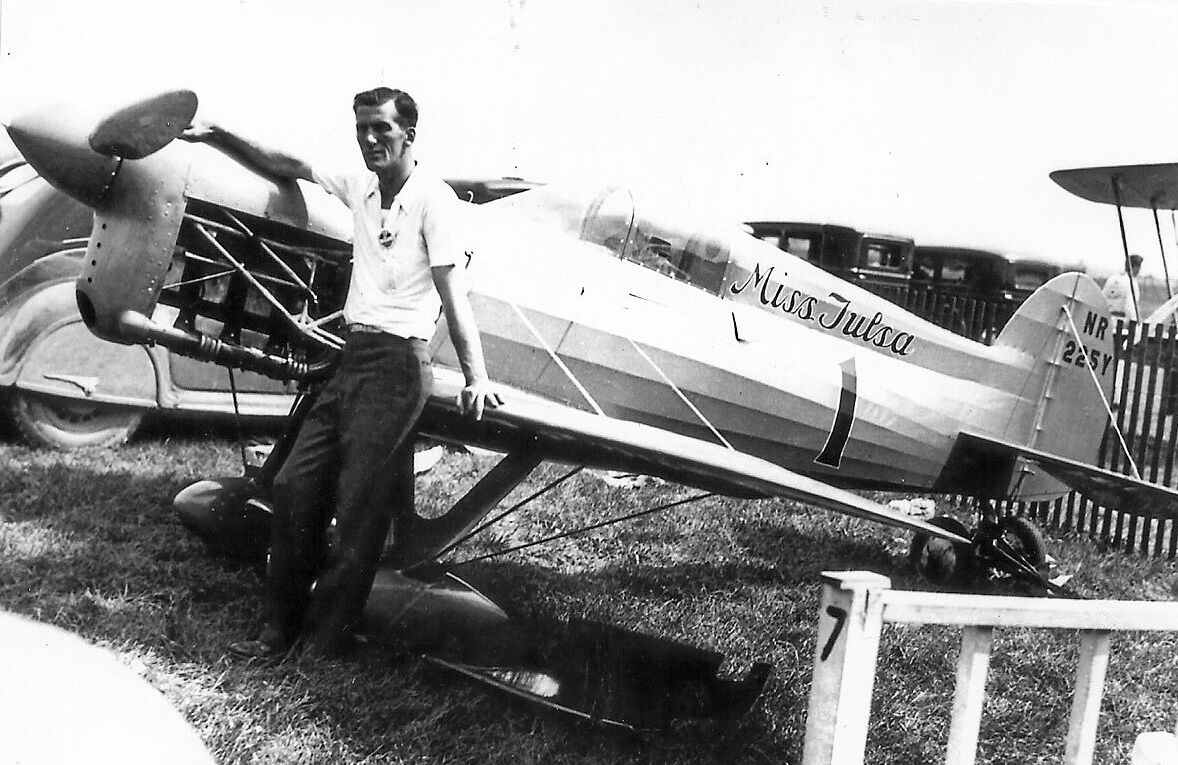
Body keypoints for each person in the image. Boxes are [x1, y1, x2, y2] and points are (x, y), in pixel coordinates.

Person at [182, 87, 502, 658]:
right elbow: (289, 164)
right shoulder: (362, 186)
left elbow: (455, 297)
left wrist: (476, 376)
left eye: (382, 128)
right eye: (362, 130)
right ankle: (279, 630)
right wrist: (219, 134)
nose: (370, 139)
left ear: (410, 134)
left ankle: (324, 642)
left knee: (358, 510)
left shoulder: (436, 202)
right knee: (292, 484)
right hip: (351, 357)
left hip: (400, 367)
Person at [1102, 253, 1143, 320]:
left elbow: (1102, 298)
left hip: (1105, 319)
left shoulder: (1112, 279)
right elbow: (1130, 306)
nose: (1139, 271)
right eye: (1139, 267)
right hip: (1121, 321)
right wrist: (1135, 322)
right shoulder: (1132, 283)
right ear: (1135, 267)